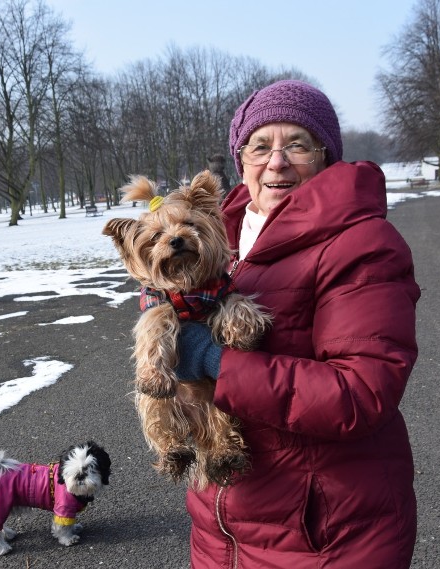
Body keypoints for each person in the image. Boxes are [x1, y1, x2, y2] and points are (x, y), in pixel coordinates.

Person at [174, 79, 421, 568]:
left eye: (298, 145)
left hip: (324, 531)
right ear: (240, 158)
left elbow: (360, 393)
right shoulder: (219, 241)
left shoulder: (362, 244)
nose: (277, 161)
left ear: (326, 157)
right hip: (223, 525)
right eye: (260, 145)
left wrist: (216, 362)